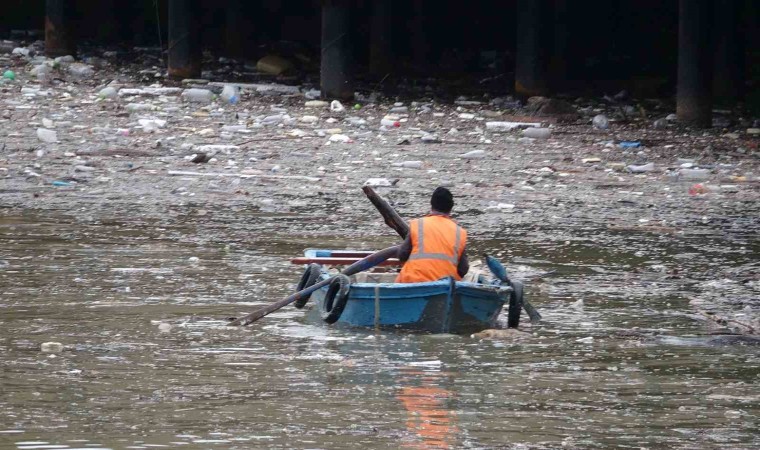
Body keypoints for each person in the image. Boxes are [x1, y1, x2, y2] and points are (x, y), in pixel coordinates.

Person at [396, 187, 469, 283]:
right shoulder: (459, 232)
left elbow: (402, 255)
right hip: (445, 287)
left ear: (431, 205)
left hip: (413, 282)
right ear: (450, 209)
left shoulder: (418, 224)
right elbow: (463, 269)